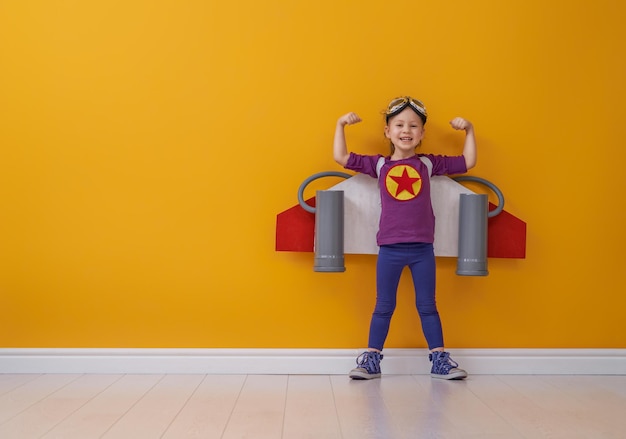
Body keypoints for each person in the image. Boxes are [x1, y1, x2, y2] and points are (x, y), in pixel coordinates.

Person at [333, 96, 477, 380]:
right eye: (399, 124)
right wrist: (340, 124)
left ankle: (439, 359)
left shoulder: (427, 164)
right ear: (388, 131)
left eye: (413, 125)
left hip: (423, 249)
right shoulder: (378, 165)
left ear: (422, 133)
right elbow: (341, 157)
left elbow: (468, 162)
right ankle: (372, 360)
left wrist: (470, 130)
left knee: (427, 306)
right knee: (383, 306)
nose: (406, 130)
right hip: (389, 248)